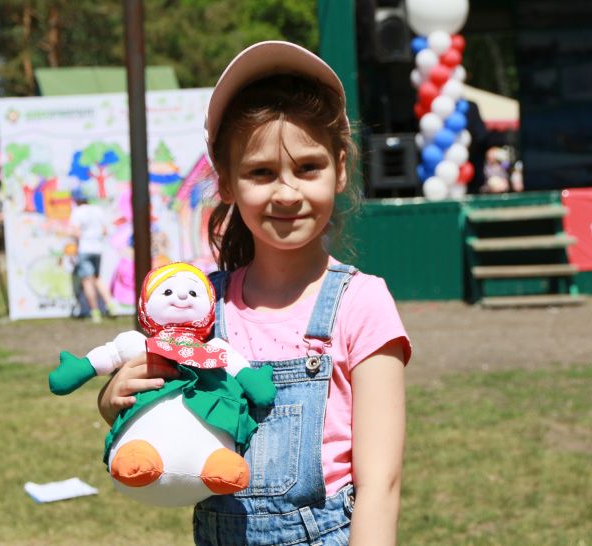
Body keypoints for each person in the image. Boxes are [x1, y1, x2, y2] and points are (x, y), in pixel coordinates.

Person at [98, 41, 411, 545]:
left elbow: (382, 485)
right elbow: (163, 430)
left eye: (308, 167)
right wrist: (117, 401)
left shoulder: (361, 303)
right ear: (225, 181)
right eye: (261, 172)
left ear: (341, 167)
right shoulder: (201, 310)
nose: (287, 192)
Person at [68, 187, 115, 323]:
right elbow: (105, 230)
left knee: (87, 281)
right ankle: (111, 305)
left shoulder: (77, 212)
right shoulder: (98, 210)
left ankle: (95, 312)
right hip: (98, 249)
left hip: (84, 248)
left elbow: (76, 233)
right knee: (98, 278)